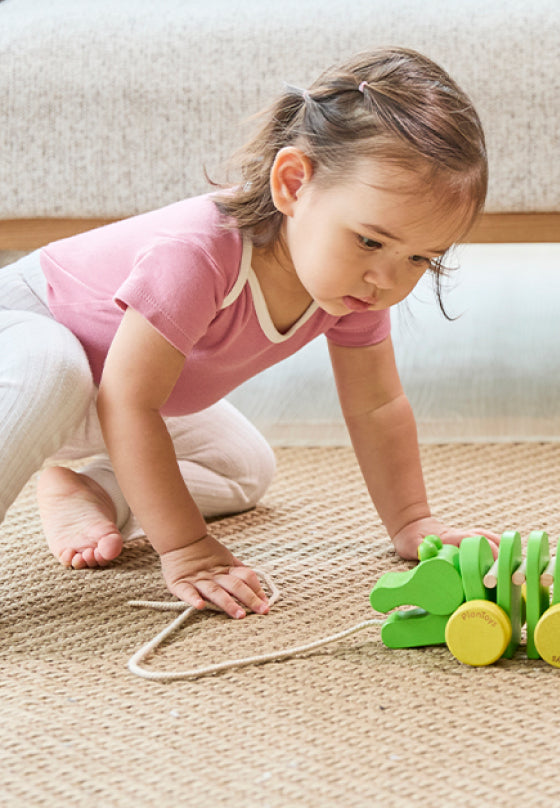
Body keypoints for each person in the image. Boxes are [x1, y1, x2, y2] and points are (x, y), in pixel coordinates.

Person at [0, 46, 499, 619]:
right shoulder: (197, 256)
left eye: (420, 261)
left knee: (243, 466)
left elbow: (378, 405)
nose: (386, 279)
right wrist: (188, 550)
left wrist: (413, 522)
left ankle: (93, 490)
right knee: (52, 366)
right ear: (293, 184)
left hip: (108, 397)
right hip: (23, 356)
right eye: (370, 241)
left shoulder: (356, 287)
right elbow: (129, 402)